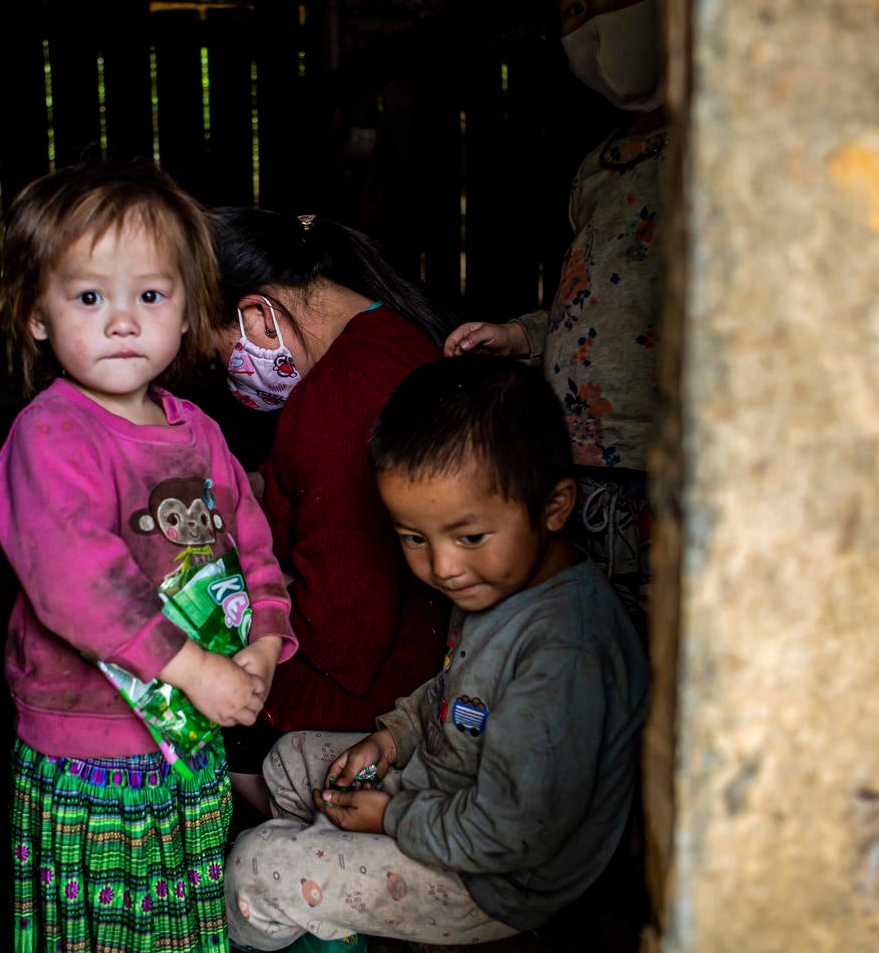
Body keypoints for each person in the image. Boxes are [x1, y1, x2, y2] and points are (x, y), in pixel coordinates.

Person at [225, 355, 650, 951]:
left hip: (495, 880)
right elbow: (458, 687)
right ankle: (332, 896)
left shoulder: (565, 650)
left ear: (555, 506)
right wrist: (391, 738)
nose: (443, 567)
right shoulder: (499, 578)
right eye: (414, 539)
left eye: (468, 536)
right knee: (290, 759)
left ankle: (304, 893)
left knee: (253, 867)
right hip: (441, 791)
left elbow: (512, 834)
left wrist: (388, 818)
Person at [0, 159, 297, 953]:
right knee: (109, 931)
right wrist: (196, 670)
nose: (123, 321)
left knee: (177, 913)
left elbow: (250, 545)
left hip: (189, 732)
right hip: (94, 741)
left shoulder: (198, 430)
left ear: (188, 309)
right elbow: (77, 582)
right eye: (90, 298)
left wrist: (263, 642)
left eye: (149, 296)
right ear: (35, 315)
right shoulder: (52, 435)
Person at [442, 0, 665, 622]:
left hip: (659, 458)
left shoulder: (725, 144)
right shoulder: (601, 167)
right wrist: (521, 335)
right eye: (574, 8)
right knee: (597, 622)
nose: (598, 20)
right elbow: (589, 303)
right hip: (580, 458)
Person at [209, 208, 455, 810]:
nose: (226, 373)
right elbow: (317, 483)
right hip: (420, 650)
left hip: (371, 693)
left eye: (217, 353)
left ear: (257, 314)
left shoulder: (337, 399)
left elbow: (341, 635)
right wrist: (256, 489)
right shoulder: (389, 334)